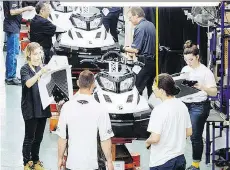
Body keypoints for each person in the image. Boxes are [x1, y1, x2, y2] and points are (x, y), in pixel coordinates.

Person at [57, 70, 114, 170]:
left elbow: (62, 138)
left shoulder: (67, 107)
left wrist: (60, 158)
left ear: (78, 83)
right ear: (94, 85)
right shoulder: (100, 109)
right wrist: (109, 161)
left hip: (72, 164)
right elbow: (105, 139)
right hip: (93, 165)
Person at [180, 40, 217, 170]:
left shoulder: (206, 72)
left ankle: (195, 164)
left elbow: (214, 91)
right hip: (185, 103)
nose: (188, 63)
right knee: (180, 133)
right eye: (186, 60)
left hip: (199, 106)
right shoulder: (185, 69)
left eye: (191, 60)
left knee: (195, 135)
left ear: (197, 57)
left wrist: (202, 87)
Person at [146, 73, 192, 170]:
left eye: (154, 85)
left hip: (162, 161)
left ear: (162, 91)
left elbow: (155, 138)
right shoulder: (182, 106)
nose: (152, 88)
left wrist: (147, 142)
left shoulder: (159, 110)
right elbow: (189, 132)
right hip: (180, 159)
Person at [20, 42, 51, 170]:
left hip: (42, 107)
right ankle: (27, 162)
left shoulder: (43, 67)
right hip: (30, 107)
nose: (37, 57)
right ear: (29, 55)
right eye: (34, 54)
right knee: (29, 137)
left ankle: (36, 159)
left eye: (39, 53)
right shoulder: (25, 69)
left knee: (38, 137)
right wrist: (39, 73)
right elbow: (28, 83)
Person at [121, 7, 156, 99]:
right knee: (151, 89)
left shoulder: (140, 28)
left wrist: (123, 48)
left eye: (130, 17)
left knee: (135, 88)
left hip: (144, 62)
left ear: (136, 15)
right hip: (153, 62)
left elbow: (136, 49)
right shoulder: (151, 25)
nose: (129, 20)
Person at [3, 1, 34, 85]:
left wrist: (26, 19)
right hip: (12, 27)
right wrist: (26, 9)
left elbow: (16, 13)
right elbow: (12, 12)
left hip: (14, 26)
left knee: (13, 52)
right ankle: (10, 78)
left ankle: (10, 76)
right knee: (13, 53)